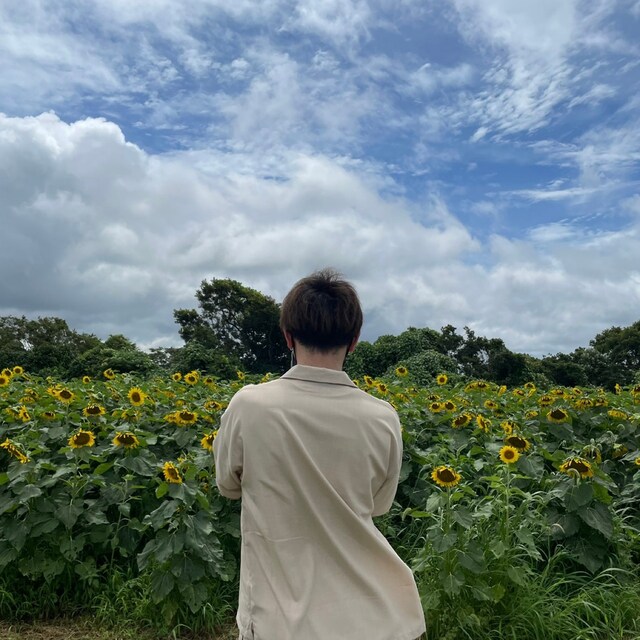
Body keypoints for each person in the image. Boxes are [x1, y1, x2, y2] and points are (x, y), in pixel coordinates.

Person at [213, 268, 426, 640]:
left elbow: (227, 485)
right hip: (371, 616)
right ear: (354, 341)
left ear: (288, 336)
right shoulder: (382, 417)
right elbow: (378, 505)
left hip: (278, 617)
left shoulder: (250, 406)